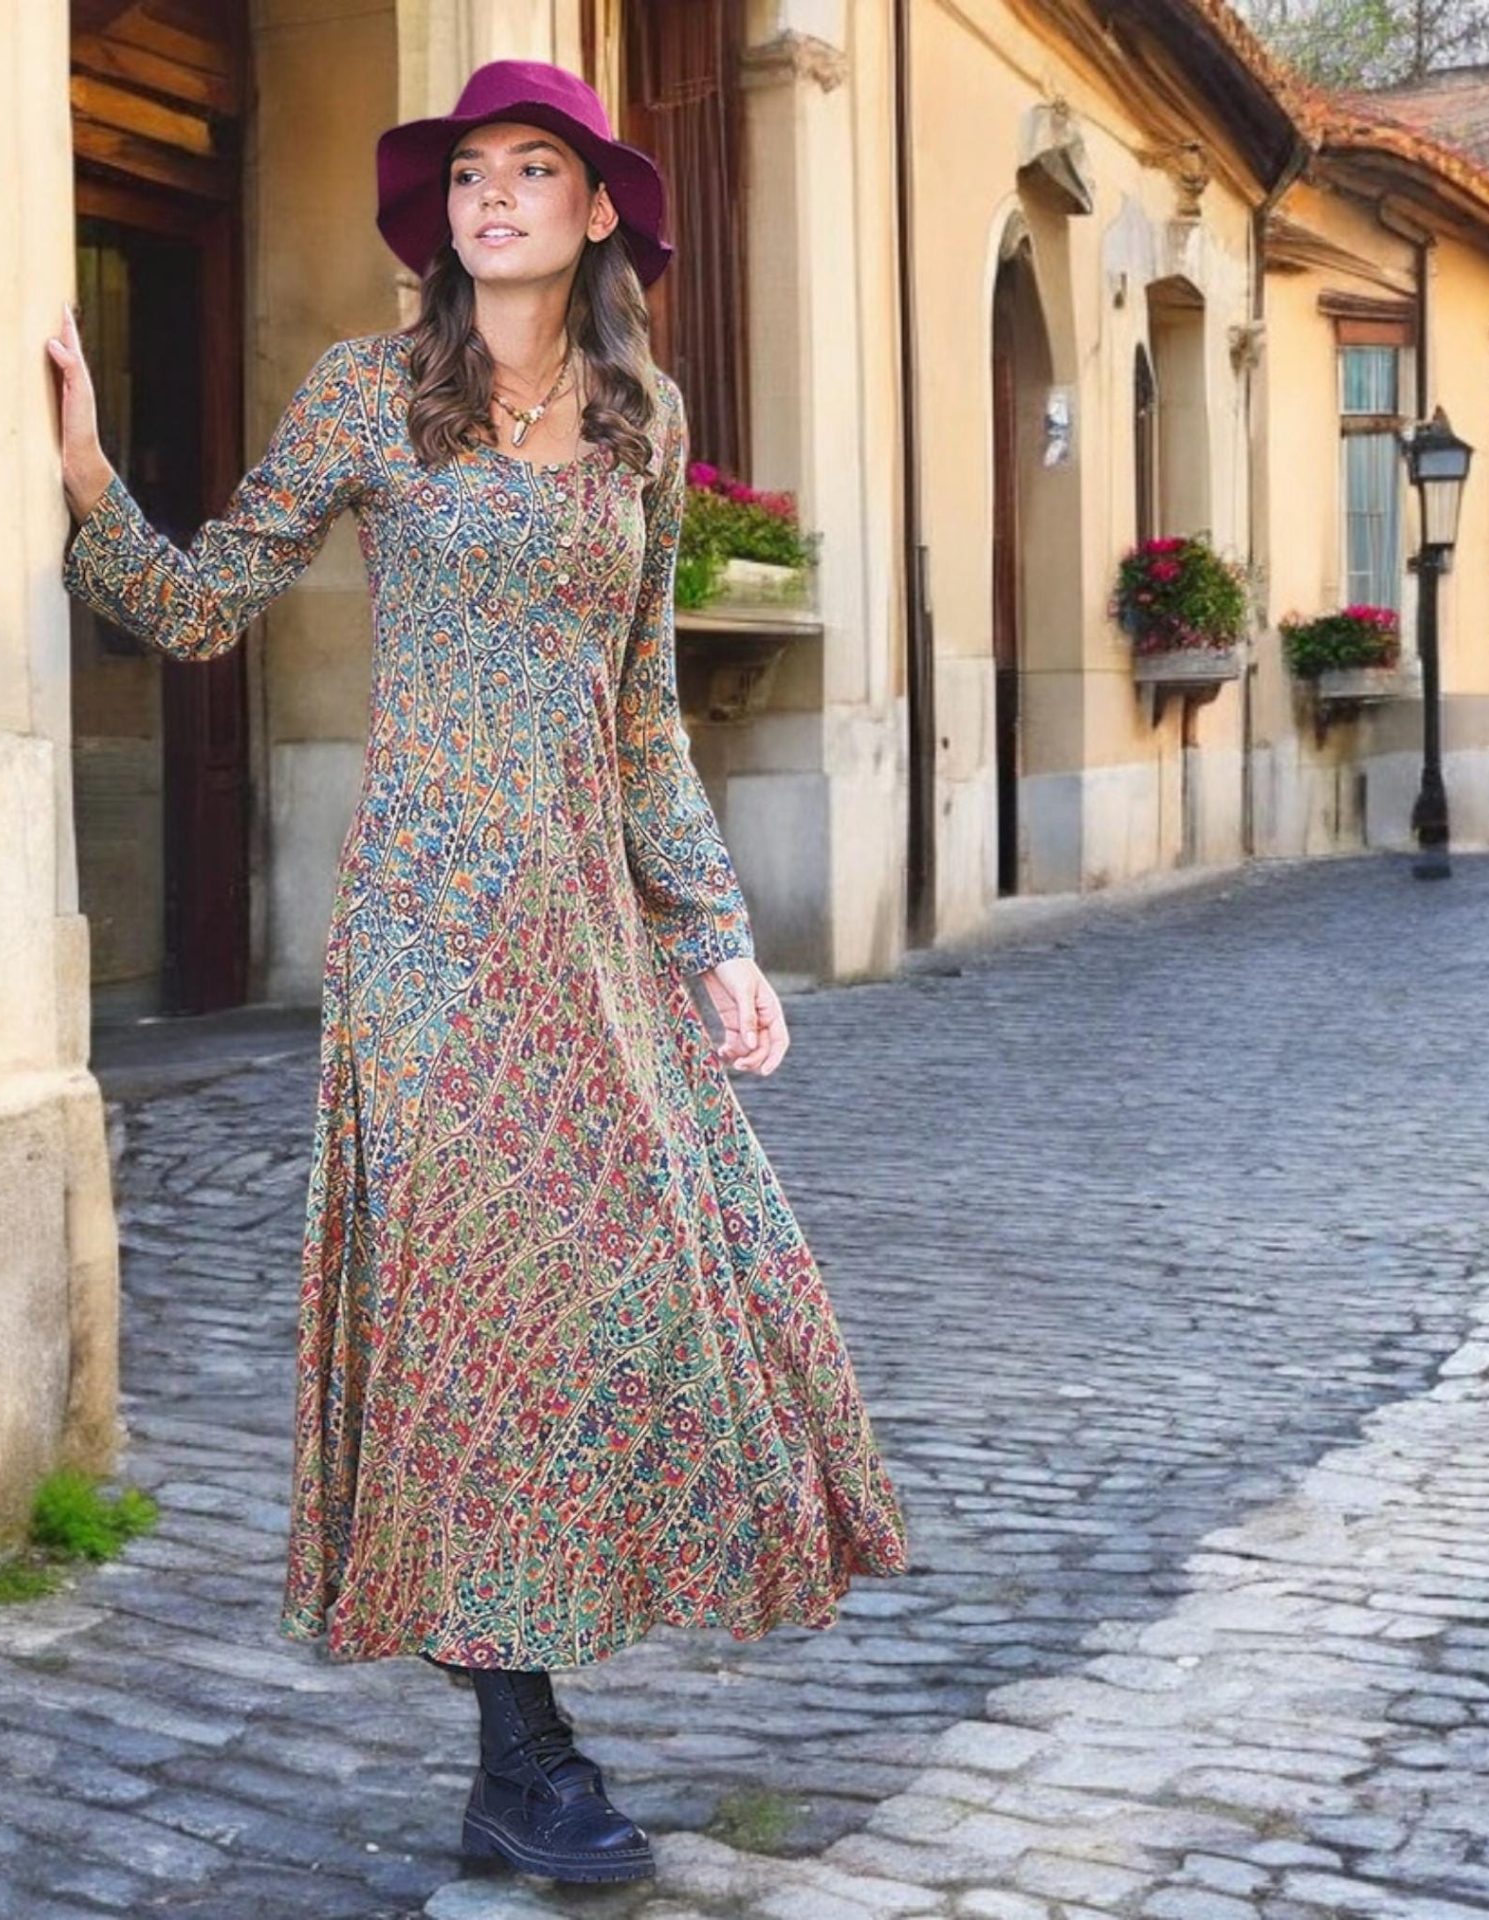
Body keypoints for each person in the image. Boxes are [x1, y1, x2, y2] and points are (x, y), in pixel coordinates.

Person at [47, 57, 907, 1887]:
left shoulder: (645, 421)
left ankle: (533, 1669)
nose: (492, 196)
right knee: (466, 1313)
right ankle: (524, 1750)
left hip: (586, 930)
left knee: (636, 1280)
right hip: (429, 933)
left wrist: (714, 932)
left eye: (531, 169)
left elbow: (645, 712)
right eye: (467, 174)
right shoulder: (371, 393)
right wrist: (92, 478)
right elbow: (202, 603)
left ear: (595, 214)